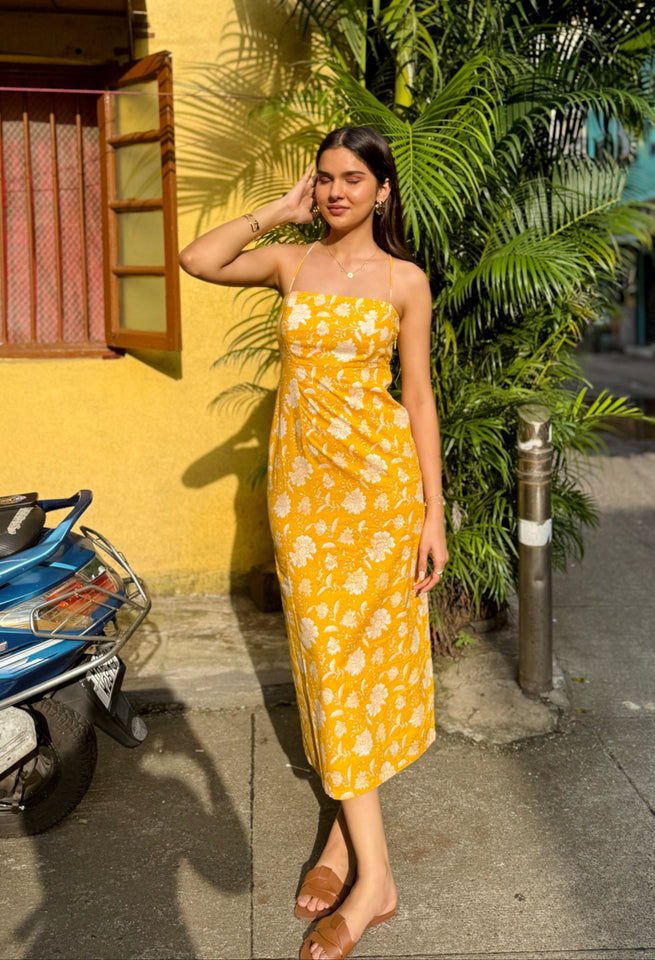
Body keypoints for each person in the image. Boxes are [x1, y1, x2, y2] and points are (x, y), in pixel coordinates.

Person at [179, 125, 448, 960]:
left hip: (380, 495)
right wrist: (275, 212)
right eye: (325, 178)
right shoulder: (292, 264)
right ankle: (352, 845)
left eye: (352, 178)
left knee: (359, 663)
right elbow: (198, 259)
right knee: (328, 663)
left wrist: (433, 513)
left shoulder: (406, 281)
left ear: (383, 189)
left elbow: (419, 397)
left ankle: (369, 878)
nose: (335, 191)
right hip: (304, 499)